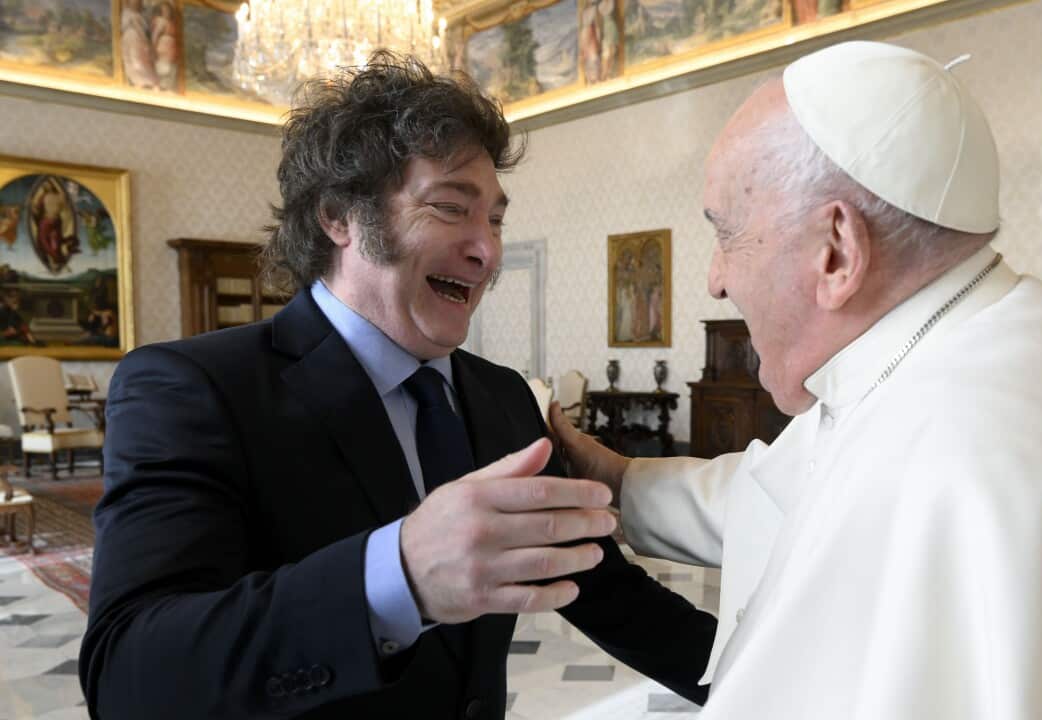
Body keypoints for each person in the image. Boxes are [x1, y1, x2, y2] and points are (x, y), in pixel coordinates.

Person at [550, 41, 1042, 719]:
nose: (714, 279)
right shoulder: (1000, 336)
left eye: (725, 234)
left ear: (837, 251)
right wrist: (612, 479)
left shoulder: (949, 448)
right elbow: (783, 493)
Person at [80, 52, 715, 719]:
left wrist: (767, 682)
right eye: (450, 208)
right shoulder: (190, 389)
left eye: (495, 219)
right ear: (339, 216)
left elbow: (609, 594)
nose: (488, 252)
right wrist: (396, 577)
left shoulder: (503, 398)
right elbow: (128, 677)